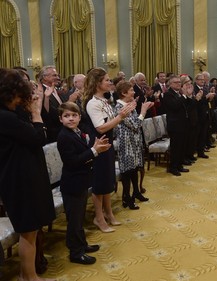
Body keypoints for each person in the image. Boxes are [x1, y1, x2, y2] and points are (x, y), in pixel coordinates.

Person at [0, 68, 56, 281]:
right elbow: (38, 137)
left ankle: (27, 275)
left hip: (27, 175)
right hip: (19, 179)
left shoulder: (11, 114)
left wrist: (29, 109)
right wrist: (35, 112)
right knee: (28, 231)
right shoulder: (5, 117)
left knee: (31, 230)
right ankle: (30, 278)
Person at [57, 102, 111, 265]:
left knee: (79, 218)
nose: (71, 119)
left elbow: (83, 152)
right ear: (60, 119)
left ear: (80, 117)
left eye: (74, 115)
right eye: (66, 116)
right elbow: (73, 162)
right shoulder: (64, 136)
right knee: (74, 221)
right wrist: (94, 151)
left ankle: (81, 244)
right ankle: (75, 252)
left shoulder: (77, 132)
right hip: (72, 184)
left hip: (80, 182)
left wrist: (94, 147)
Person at [82, 67, 134, 232]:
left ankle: (109, 213)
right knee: (99, 185)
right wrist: (121, 116)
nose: (110, 83)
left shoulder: (104, 100)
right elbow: (101, 128)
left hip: (108, 144)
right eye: (106, 80)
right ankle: (99, 218)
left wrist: (121, 115)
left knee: (107, 183)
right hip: (99, 145)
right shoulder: (92, 103)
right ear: (97, 83)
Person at [115, 81, 152, 209]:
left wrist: (140, 111)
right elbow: (135, 124)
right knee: (127, 171)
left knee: (135, 169)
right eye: (131, 90)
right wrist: (143, 111)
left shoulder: (129, 104)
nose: (134, 91)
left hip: (134, 142)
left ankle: (136, 192)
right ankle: (127, 198)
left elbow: (136, 125)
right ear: (123, 93)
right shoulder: (120, 107)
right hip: (126, 144)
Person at [163, 75, 189, 176]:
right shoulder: (168, 94)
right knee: (175, 147)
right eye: (176, 82)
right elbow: (174, 106)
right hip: (174, 125)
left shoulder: (179, 94)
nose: (179, 84)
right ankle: (173, 167)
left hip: (182, 124)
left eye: (179, 82)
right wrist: (183, 96)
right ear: (170, 84)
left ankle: (179, 165)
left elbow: (185, 107)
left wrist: (187, 96)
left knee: (182, 146)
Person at [39, 66, 66, 143]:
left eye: (58, 75)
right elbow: (48, 113)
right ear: (45, 77)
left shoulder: (57, 90)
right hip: (52, 134)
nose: (58, 78)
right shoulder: (40, 92)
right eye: (54, 75)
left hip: (62, 131)